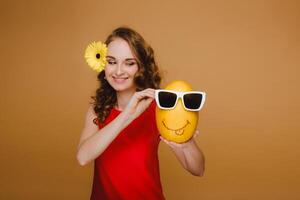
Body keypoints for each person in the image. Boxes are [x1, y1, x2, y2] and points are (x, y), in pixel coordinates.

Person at [76, 27, 205, 200]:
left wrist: (185, 143)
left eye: (129, 63)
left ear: (141, 67)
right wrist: (127, 115)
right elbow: (82, 157)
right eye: (112, 61)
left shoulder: (158, 107)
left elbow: (198, 169)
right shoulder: (98, 109)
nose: (119, 71)